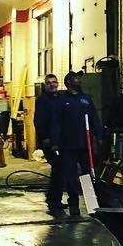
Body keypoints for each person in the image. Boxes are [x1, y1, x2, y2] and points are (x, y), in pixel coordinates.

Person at [49, 71, 101, 217]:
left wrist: (99, 136)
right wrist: (55, 142)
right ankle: (73, 204)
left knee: (86, 175)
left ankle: (92, 204)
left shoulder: (85, 99)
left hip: (85, 145)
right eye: (75, 78)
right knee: (70, 176)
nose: (79, 81)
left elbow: (94, 119)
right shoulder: (61, 100)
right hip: (67, 145)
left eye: (79, 78)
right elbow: (56, 122)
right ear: (68, 82)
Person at [34, 73, 62, 213]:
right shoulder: (42, 101)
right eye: (49, 82)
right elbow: (38, 121)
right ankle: (53, 199)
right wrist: (44, 138)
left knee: (59, 170)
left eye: (54, 82)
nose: (52, 84)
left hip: (60, 141)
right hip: (49, 141)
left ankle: (54, 198)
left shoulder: (61, 98)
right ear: (45, 85)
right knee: (58, 169)